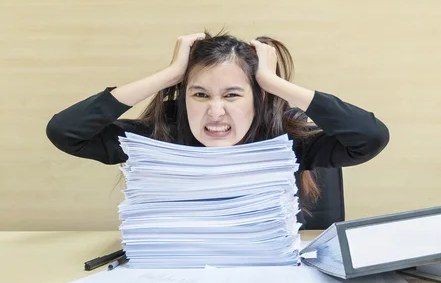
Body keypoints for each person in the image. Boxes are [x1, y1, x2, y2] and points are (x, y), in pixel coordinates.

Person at [46, 31, 390, 224]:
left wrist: (272, 82)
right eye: (199, 94)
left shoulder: (287, 141)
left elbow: (369, 137)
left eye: (232, 95)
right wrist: (168, 76)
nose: (215, 111)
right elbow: (67, 131)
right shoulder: (158, 139)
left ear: (258, 98)